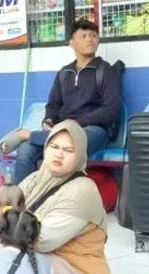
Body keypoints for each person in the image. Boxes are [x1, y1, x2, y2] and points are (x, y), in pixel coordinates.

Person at [10, 19, 122, 183]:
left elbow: (111, 110)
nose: (90, 39)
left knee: (69, 141)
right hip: (62, 129)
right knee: (25, 150)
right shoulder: (64, 73)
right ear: (72, 43)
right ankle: (20, 197)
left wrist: (77, 122)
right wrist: (48, 120)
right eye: (83, 36)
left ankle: (30, 135)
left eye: (93, 35)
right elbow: (53, 105)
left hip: (93, 130)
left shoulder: (106, 71)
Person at [19, 120, 111, 274]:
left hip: (76, 272)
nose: (59, 154)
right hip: (42, 259)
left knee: (13, 264)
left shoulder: (82, 190)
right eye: (54, 147)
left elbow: (42, 240)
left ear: (80, 156)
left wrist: (1, 234)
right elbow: (0, 213)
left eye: (68, 150)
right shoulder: (34, 180)